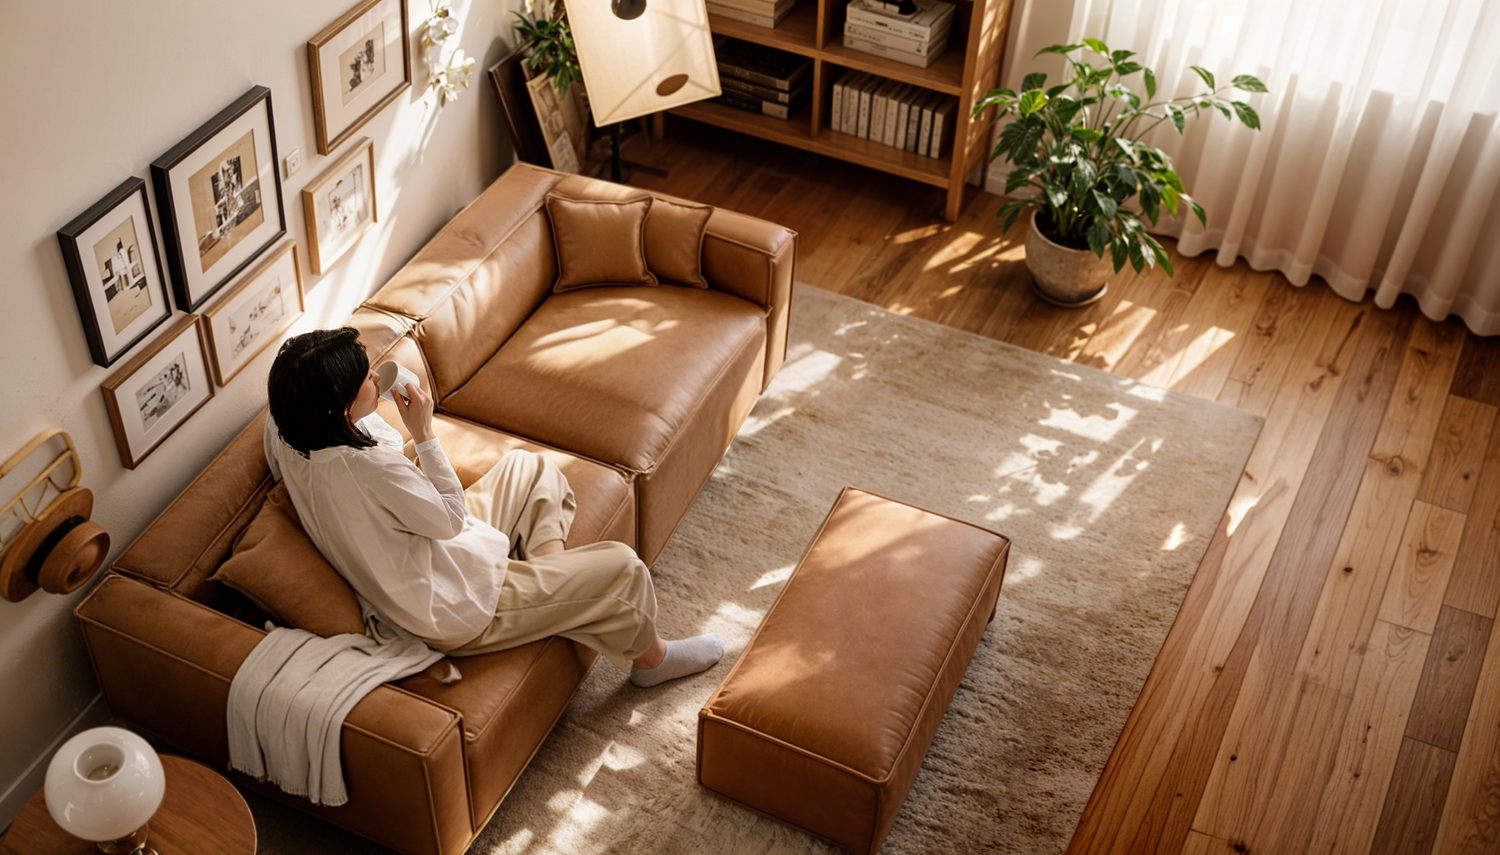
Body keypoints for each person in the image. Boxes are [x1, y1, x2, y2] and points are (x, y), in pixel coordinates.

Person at [263, 327, 723, 687]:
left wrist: (364, 407)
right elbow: (450, 520)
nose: (374, 376)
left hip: (429, 553)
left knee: (530, 468)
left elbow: (377, 454)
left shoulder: (290, 435)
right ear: (337, 406)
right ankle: (651, 660)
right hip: (447, 604)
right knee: (623, 569)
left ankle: (556, 588)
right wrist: (423, 431)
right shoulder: (369, 471)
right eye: (364, 378)